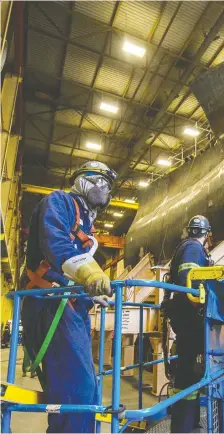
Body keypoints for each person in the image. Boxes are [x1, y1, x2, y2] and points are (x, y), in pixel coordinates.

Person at [21, 161, 117, 433]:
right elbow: (56, 245)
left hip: (70, 308)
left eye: (109, 187)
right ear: (84, 180)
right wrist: (91, 274)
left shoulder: (87, 224)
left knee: (87, 389)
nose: (106, 191)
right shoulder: (59, 202)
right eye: (103, 182)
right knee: (76, 389)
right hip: (49, 304)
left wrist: (89, 296)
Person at [164, 215, 213, 433]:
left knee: (189, 370)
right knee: (187, 370)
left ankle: (189, 422)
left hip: (184, 315)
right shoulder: (194, 248)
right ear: (207, 234)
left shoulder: (187, 247)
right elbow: (188, 281)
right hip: (189, 316)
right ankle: (184, 425)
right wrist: (200, 306)